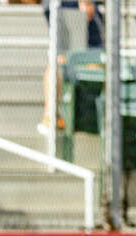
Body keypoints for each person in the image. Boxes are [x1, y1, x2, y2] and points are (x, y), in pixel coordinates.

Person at [39, 0, 102, 135]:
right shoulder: (54, 6)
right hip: (66, 46)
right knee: (56, 66)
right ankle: (51, 117)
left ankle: (98, 121)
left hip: (92, 48)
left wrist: (87, 4)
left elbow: (89, 12)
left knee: (96, 68)